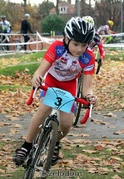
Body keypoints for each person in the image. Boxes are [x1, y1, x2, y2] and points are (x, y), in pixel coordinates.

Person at [13, 17, 97, 166]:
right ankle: (27, 145)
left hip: (69, 85)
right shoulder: (57, 47)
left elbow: (87, 87)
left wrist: (89, 96)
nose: (79, 49)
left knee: (66, 123)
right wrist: (37, 77)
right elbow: (41, 71)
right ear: (66, 38)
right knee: (45, 107)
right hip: (52, 80)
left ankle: (55, 143)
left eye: (84, 45)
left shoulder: (88, 57)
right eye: (76, 44)